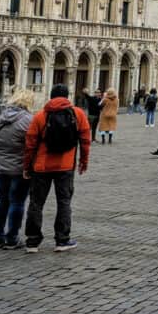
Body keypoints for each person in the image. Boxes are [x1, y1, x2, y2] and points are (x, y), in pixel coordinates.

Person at [23, 84, 91, 252]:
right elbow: (85, 141)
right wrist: (83, 161)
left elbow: (30, 144)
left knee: (36, 203)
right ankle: (62, 240)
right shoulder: (78, 114)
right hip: (66, 166)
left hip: (41, 166)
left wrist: (27, 166)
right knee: (64, 202)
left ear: (51, 96)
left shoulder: (40, 116)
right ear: (67, 96)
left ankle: (32, 241)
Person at [0, 88, 35, 250]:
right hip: (19, 168)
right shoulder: (29, 120)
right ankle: (12, 238)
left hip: (1, 167)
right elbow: (32, 144)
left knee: (2, 200)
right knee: (17, 202)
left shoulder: (0, 118)